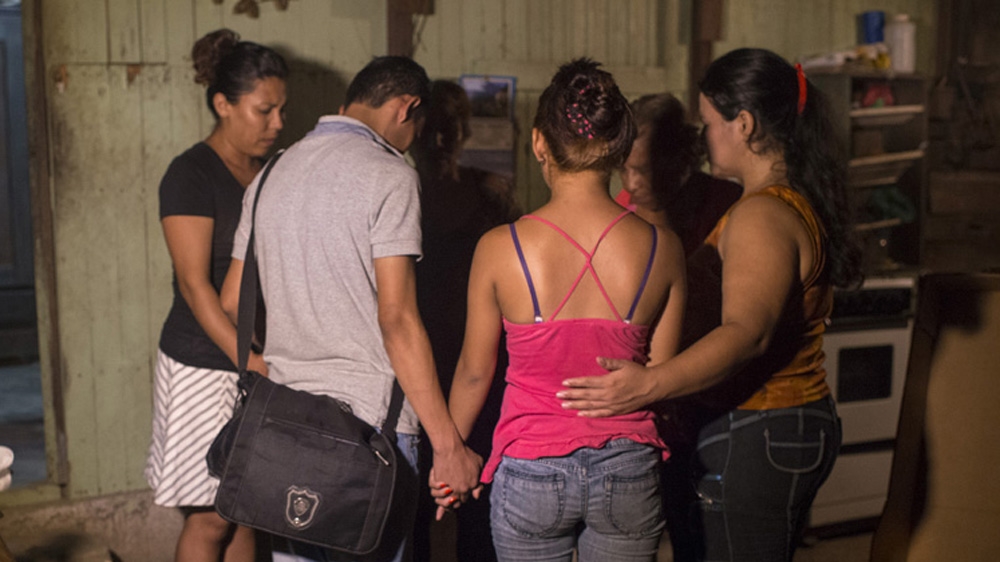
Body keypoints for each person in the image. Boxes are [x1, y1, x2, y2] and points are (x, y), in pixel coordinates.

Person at [558, 48, 863, 562]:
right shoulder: (777, 201)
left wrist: (649, 383)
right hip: (774, 425)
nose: (705, 138)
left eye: (710, 123)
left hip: (760, 426)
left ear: (743, 124)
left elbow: (747, 333)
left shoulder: (761, 215)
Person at [220, 56, 483, 562]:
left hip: (286, 427)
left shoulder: (271, 172)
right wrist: (448, 446)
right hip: (371, 433)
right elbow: (398, 320)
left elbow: (233, 301)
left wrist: (298, 336)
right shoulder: (390, 175)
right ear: (407, 107)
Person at [434, 59, 687, 562]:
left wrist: (450, 453)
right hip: (628, 468)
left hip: (531, 469)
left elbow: (473, 372)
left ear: (539, 144)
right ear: (618, 148)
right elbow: (661, 376)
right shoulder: (664, 247)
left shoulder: (499, 247)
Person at [144, 28, 286, 562]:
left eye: (281, 110)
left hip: (256, 362)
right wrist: (247, 360)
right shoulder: (190, 174)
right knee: (209, 516)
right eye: (263, 110)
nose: (277, 124)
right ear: (223, 104)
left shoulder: (272, 171)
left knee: (246, 509)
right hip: (203, 362)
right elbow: (194, 284)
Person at [410, 80, 521, 562]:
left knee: (481, 502)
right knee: (414, 503)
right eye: (431, 127)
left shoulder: (491, 193)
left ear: (465, 130)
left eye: (450, 126)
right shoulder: (398, 192)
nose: (440, 139)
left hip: (483, 362)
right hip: (416, 365)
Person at [616, 93, 741, 256]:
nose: (631, 184)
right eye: (623, 170)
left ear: (678, 158)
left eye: (644, 170)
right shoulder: (625, 205)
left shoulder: (726, 203)